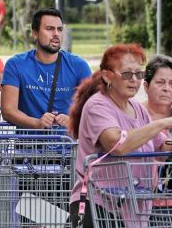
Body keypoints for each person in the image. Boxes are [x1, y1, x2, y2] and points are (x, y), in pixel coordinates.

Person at [68, 44, 172, 227]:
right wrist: (162, 123)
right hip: (99, 206)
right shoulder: (97, 106)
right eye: (126, 74)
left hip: (132, 208)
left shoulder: (137, 108)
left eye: (138, 74)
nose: (134, 80)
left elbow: (161, 148)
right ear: (107, 75)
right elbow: (118, 144)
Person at [1, 8, 91, 129]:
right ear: (35, 33)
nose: (56, 34)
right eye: (49, 29)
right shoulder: (16, 65)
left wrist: (72, 120)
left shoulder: (79, 66)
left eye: (59, 29)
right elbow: (8, 111)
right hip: (28, 145)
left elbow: (93, 108)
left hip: (67, 145)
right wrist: (36, 123)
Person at [141, 55, 172, 224]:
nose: (167, 88)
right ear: (146, 86)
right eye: (160, 83)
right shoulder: (135, 116)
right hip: (140, 204)